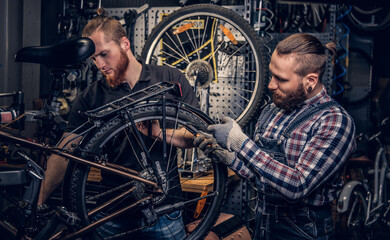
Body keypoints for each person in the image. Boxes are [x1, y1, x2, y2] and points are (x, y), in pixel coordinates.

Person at [38, 11, 199, 239]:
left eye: (104, 54)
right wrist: (37, 201)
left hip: (165, 210)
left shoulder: (169, 79)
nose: (100, 65)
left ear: (124, 44)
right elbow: (66, 153)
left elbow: (195, 136)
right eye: (94, 59)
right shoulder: (91, 96)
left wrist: (159, 133)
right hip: (112, 213)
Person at [194, 33, 356, 240]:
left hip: (301, 232)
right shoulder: (273, 111)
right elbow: (261, 177)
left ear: (310, 81)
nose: (271, 85)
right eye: (272, 75)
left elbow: (298, 185)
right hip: (264, 225)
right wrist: (227, 157)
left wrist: (240, 142)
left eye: (281, 79)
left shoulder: (334, 122)